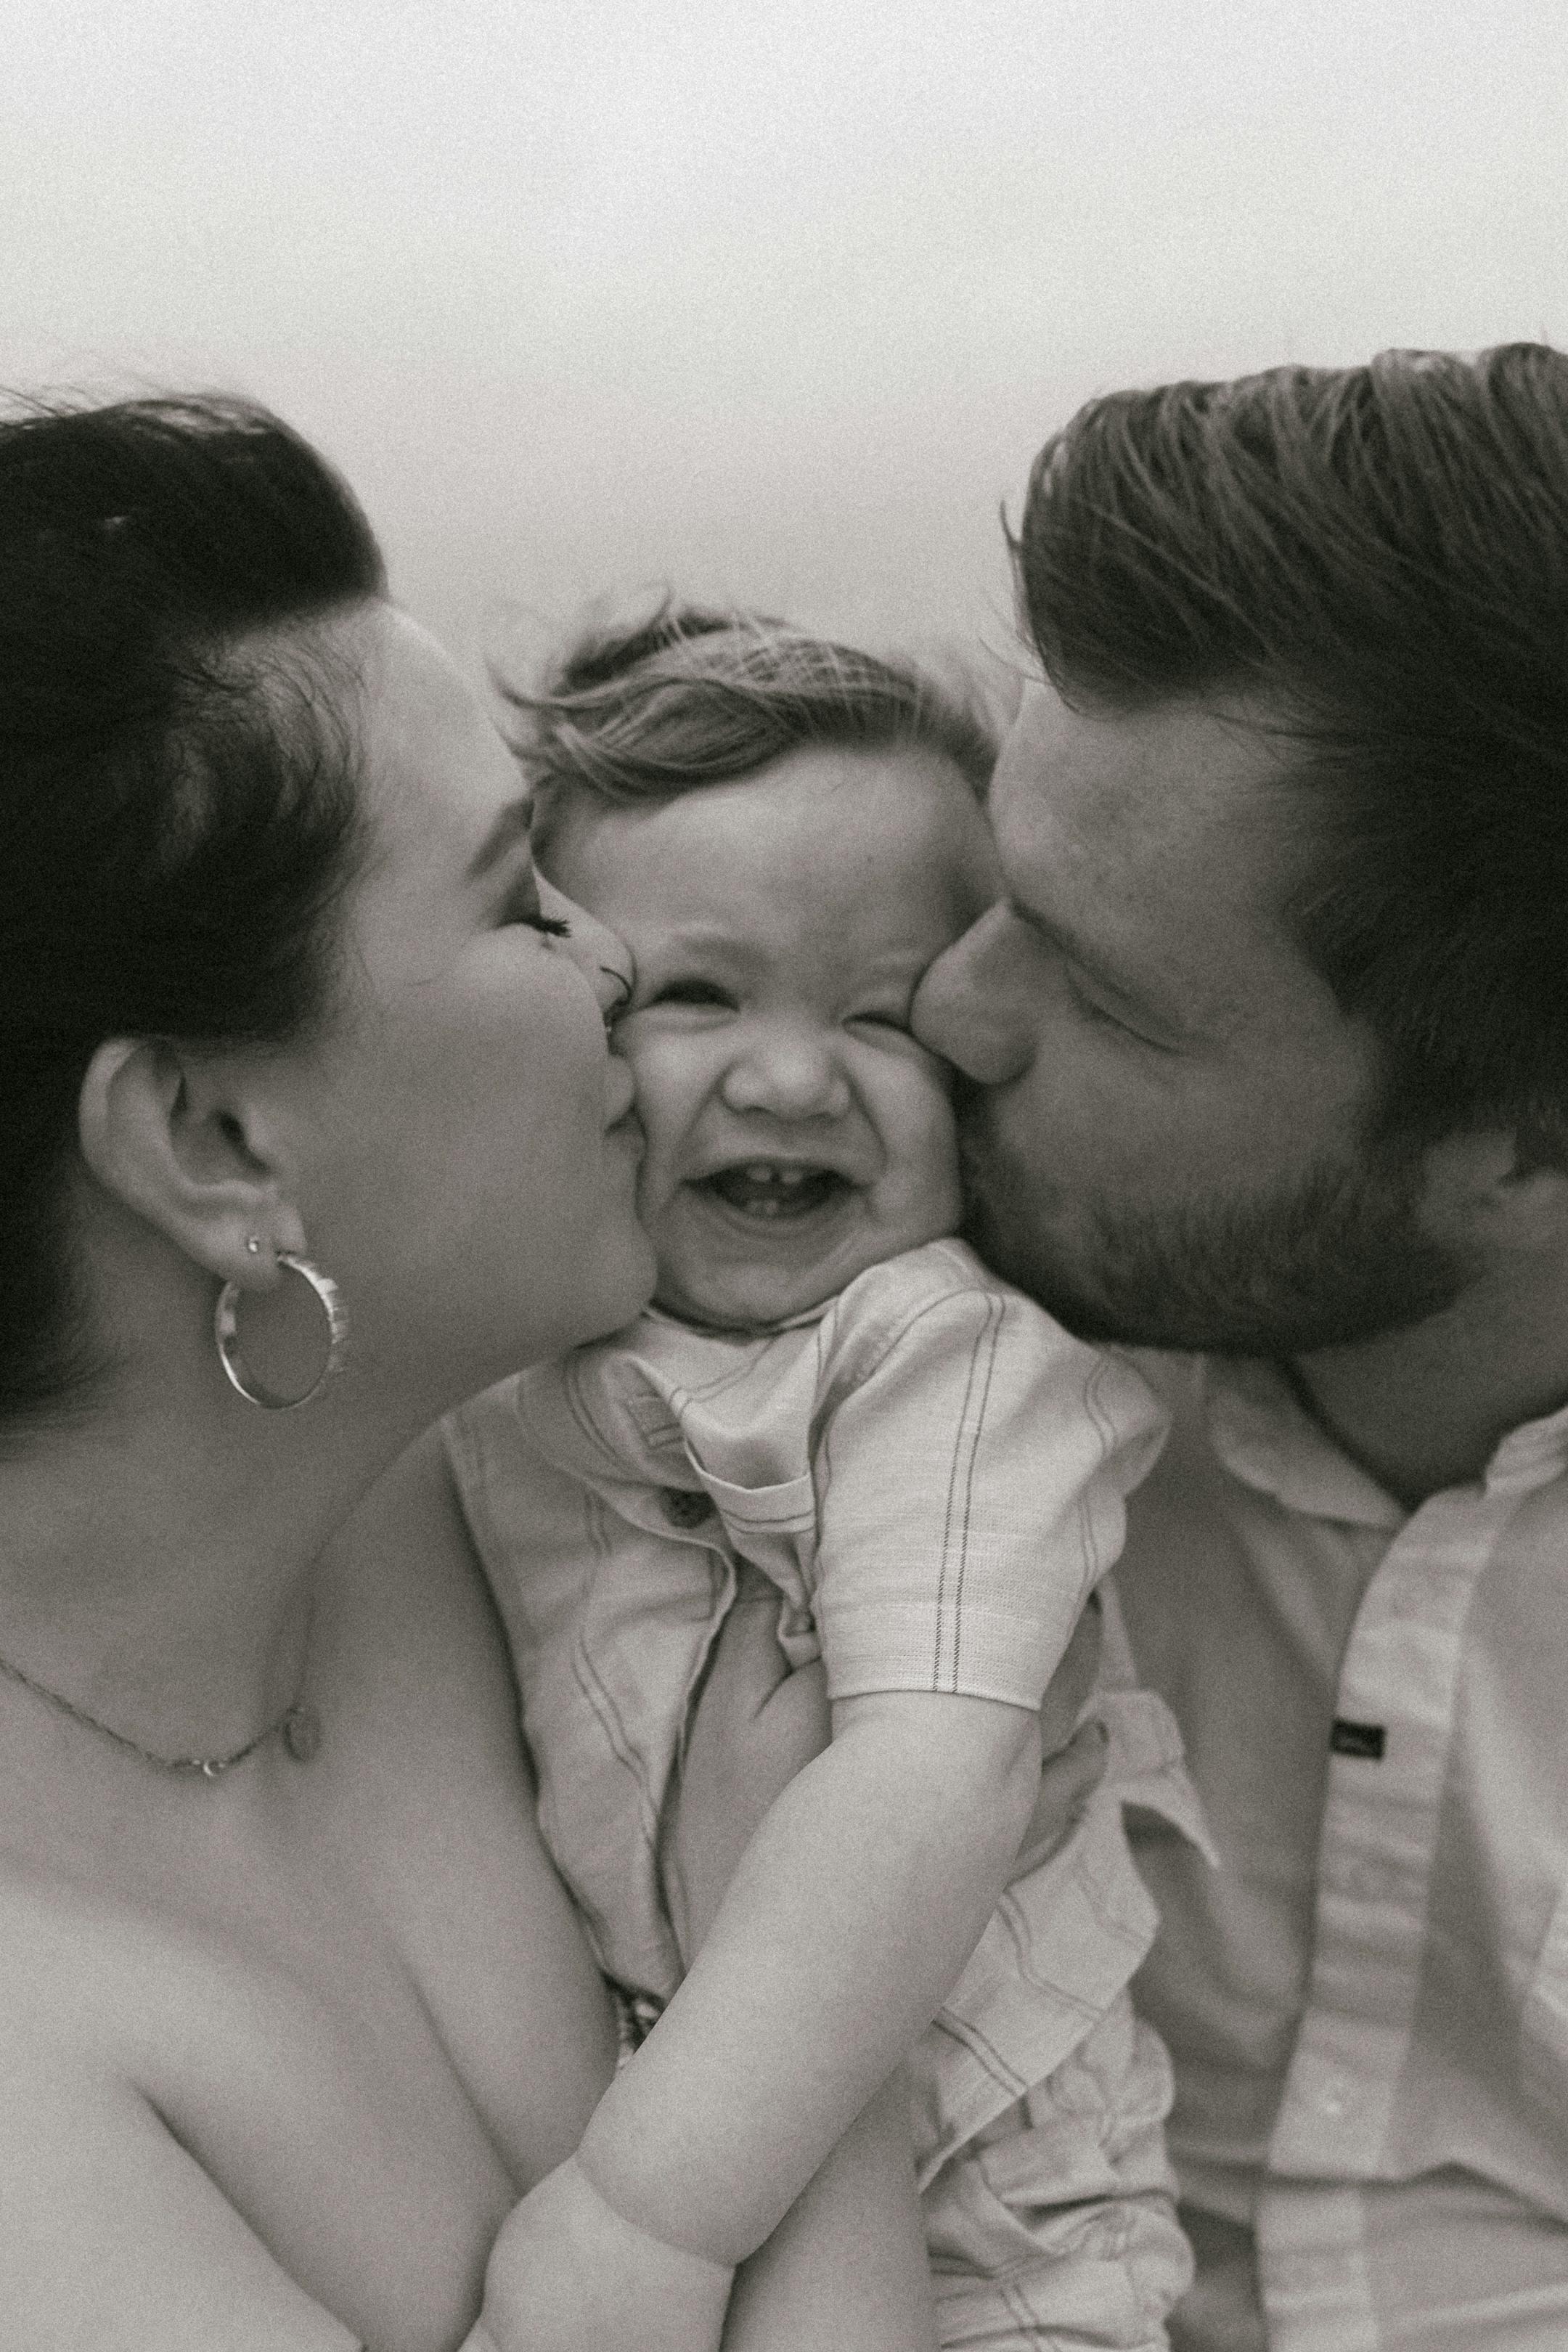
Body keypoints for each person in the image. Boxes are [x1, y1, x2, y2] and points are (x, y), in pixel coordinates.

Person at [0, 394, 1112, 2352]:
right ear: (214, 1143)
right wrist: (796, 1973)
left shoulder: (548, 1461)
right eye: (522, 896)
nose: (615, 962)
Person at [444, 611, 1212, 2351]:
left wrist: (649, 2211)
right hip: (634, 2132)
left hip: (989, 2213)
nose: (792, 1078)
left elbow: (934, 1774)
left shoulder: (945, 1366)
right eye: (694, 995)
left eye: (884, 1016)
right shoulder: (525, 1351)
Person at [910, 342, 1568, 2351]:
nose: (948, 1013)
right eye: (993, 892)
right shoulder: (907, 1372)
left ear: (1524, 1151)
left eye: (1105, 999)